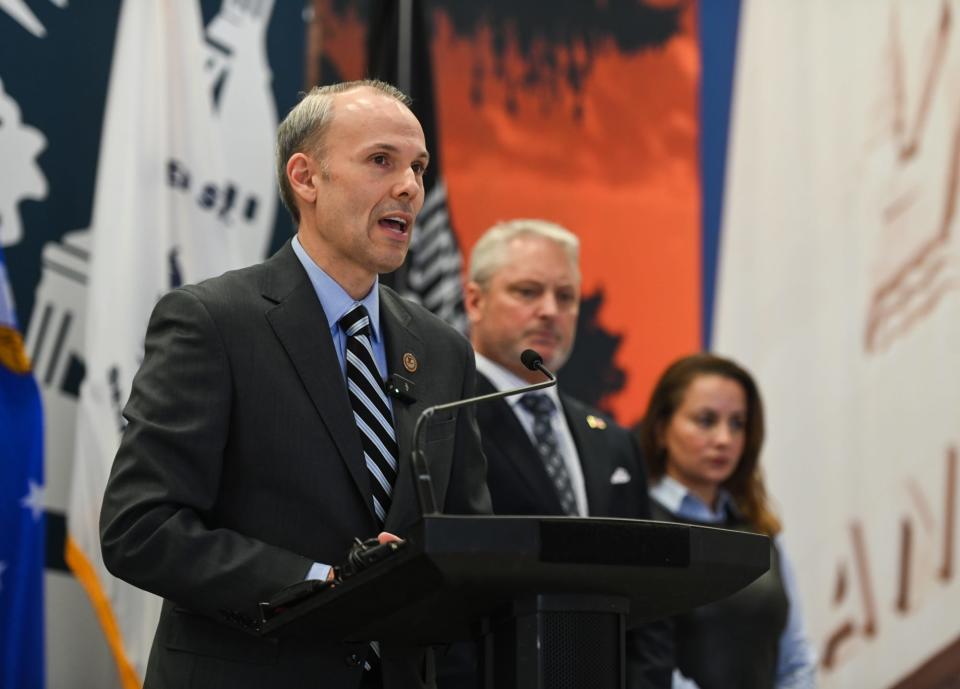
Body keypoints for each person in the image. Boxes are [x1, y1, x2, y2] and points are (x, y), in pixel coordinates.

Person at [99, 80, 491, 689]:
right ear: (306, 178)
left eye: (417, 167)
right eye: (381, 161)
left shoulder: (443, 350)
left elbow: (467, 543)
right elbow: (141, 528)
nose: (410, 187)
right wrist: (320, 584)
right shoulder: (213, 320)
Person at [445, 218, 672, 688]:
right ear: (474, 301)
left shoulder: (610, 438)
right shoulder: (442, 419)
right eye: (527, 292)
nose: (550, 311)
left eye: (565, 297)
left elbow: (649, 590)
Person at [635, 353, 817, 689]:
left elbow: (796, 658)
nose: (724, 439)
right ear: (661, 429)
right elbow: (639, 657)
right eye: (706, 420)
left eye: (737, 424)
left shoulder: (761, 531)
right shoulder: (636, 523)